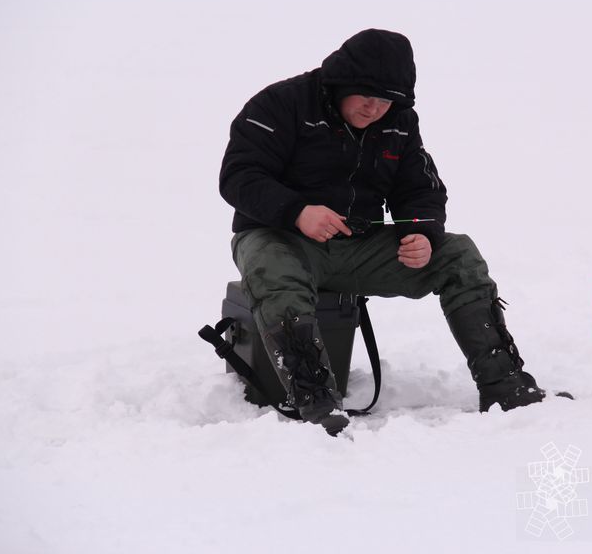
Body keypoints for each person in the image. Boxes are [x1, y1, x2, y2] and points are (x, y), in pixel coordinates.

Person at [220, 28, 546, 426]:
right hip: (280, 239)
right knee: (275, 269)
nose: (375, 108)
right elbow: (238, 176)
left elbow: (420, 188)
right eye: (367, 96)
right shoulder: (280, 104)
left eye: (387, 100)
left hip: (357, 246)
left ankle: (505, 387)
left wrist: (423, 233)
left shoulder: (400, 122)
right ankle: (317, 403)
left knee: (458, 254)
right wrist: (298, 211)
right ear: (341, 83)